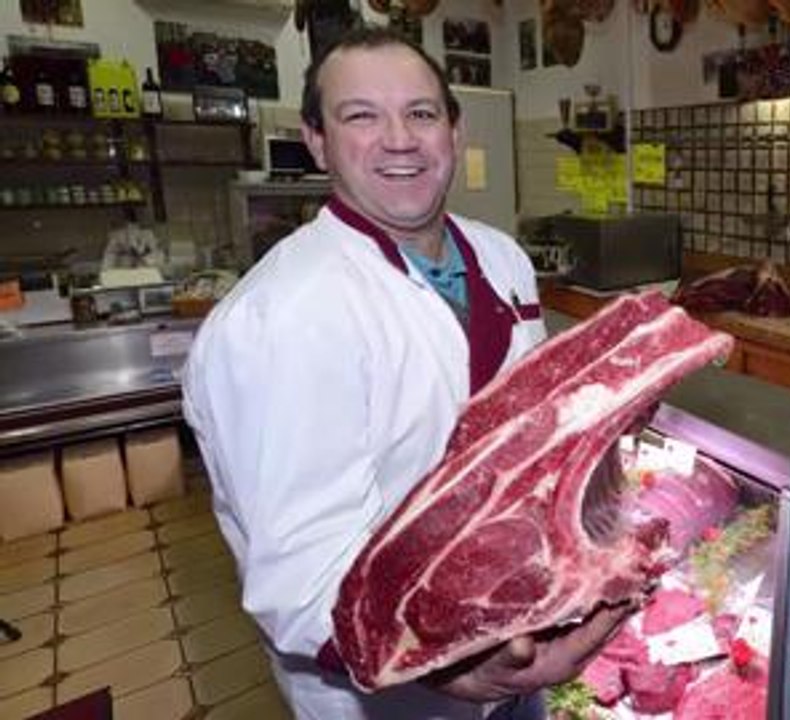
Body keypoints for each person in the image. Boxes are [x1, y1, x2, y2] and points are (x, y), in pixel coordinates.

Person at [182, 27, 637, 719]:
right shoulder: (279, 318)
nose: (400, 140)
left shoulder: (501, 257)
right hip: (395, 692)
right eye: (361, 116)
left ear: (454, 131)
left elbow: (528, 439)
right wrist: (449, 666)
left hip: (520, 641)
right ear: (317, 142)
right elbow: (302, 572)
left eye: (421, 113)